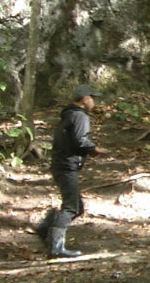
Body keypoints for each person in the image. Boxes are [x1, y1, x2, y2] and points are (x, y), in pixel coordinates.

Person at [35, 83, 105, 258]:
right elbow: (80, 141)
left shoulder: (68, 115)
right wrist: (94, 149)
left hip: (61, 165)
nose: (94, 103)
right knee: (71, 208)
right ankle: (56, 248)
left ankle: (46, 229)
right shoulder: (79, 116)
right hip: (67, 166)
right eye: (92, 98)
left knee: (77, 207)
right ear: (85, 99)